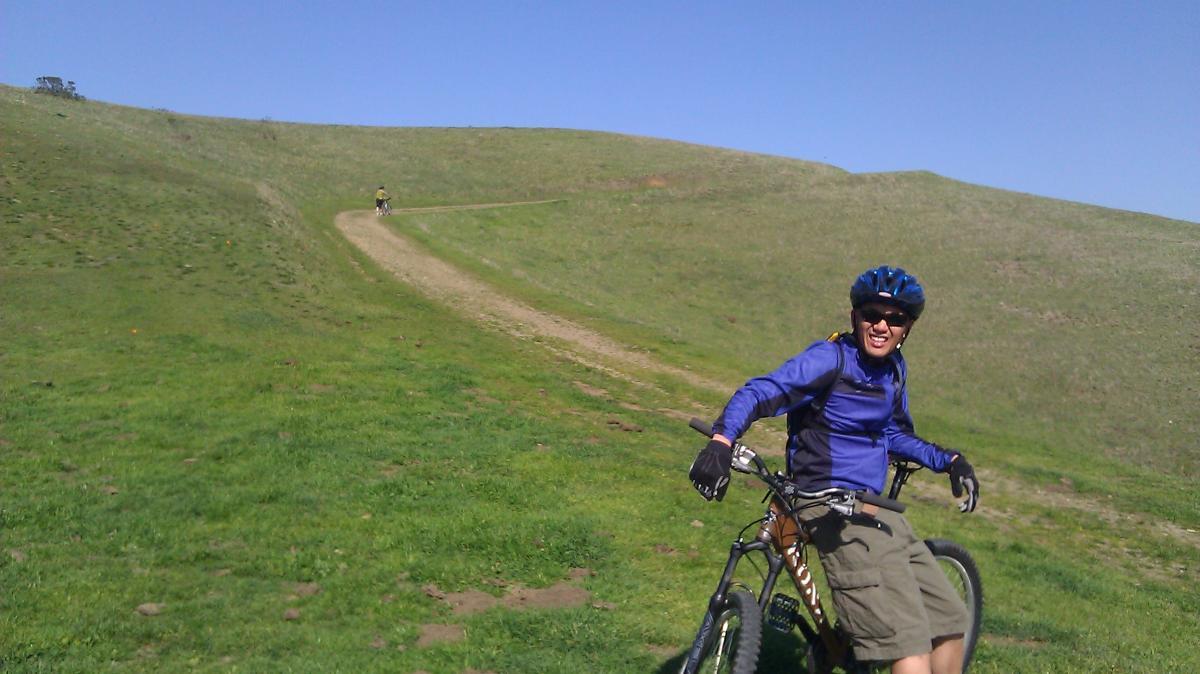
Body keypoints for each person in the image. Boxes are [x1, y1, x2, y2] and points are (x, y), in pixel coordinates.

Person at [689, 265, 980, 674]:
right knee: (909, 645)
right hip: (826, 507)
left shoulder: (894, 371)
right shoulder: (830, 360)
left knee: (951, 622)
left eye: (895, 319)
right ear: (854, 317)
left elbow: (893, 434)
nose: (882, 326)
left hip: (876, 511)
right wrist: (722, 441)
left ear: (907, 328)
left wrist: (947, 460)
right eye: (872, 315)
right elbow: (761, 392)